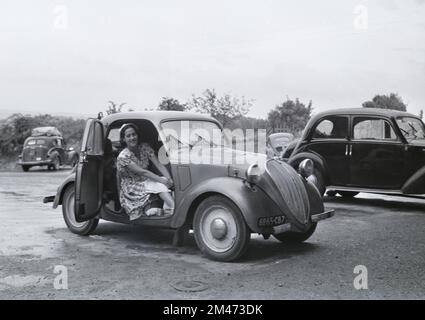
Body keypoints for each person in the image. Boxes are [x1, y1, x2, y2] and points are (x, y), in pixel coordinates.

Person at [117, 123, 174, 220]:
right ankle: (173, 207)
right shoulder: (123, 156)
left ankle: (168, 209)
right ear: (124, 139)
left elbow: (159, 164)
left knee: (165, 181)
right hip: (132, 186)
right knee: (160, 184)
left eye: (134, 134)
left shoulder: (144, 147)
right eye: (128, 136)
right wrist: (162, 181)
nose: (132, 138)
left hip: (146, 180)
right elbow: (143, 172)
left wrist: (169, 178)